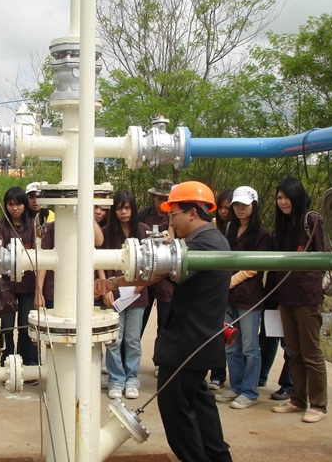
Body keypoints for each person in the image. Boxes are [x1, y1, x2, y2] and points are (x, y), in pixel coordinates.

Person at [95, 181, 233, 462]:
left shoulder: (202, 244)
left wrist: (113, 281)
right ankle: (218, 457)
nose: (171, 221)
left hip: (189, 341)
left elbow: (154, 272)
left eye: (174, 214)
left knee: (174, 405)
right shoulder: (209, 240)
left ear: (193, 212)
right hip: (198, 339)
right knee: (199, 400)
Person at [267, 176, 328, 423]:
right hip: (286, 297)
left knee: (311, 353)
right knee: (294, 352)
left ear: (297, 196)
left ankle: (319, 405)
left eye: (286, 197)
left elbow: (324, 257)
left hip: (307, 298)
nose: (282, 202)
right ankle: (298, 400)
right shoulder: (281, 226)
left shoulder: (311, 220)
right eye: (279, 197)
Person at [214, 186, 271, 409]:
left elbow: (253, 267)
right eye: (236, 205)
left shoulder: (262, 234)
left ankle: (250, 391)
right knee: (231, 344)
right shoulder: (230, 228)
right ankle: (236, 386)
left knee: (249, 346)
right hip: (229, 297)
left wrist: (229, 281)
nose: (240, 209)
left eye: (244, 205)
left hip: (249, 297)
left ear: (253, 206)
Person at [98, 190, 149, 400]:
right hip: (114, 293)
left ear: (133, 209)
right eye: (120, 208)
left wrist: (143, 282)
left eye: (127, 208)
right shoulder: (106, 232)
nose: (124, 212)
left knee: (132, 340)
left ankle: (132, 379)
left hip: (137, 294)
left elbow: (151, 261)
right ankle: (116, 380)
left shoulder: (144, 231)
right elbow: (98, 260)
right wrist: (105, 287)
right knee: (114, 340)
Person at [0, 187, 37, 368]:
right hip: (7, 285)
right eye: (10, 204)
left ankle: (27, 363)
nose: (15, 208)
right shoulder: (0, 225)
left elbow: (36, 251)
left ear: (25, 205)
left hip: (28, 284)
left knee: (26, 326)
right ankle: (8, 363)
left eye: (18, 204)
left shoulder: (33, 224)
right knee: (7, 326)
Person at [138, 180, 175, 371]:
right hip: (145, 277)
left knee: (164, 323)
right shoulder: (143, 215)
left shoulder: (176, 217)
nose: (162, 202)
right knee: (138, 321)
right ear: (153, 197)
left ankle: (160, 362)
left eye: (166, 199)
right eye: (159, 198)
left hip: (166, 279)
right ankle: (129, 360)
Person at [208, 188, 234, 391]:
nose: (224, 211)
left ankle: (235, 379)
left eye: (228, 208)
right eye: (222, 207)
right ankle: (217, 374)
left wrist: (230, 281)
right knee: (216, 332)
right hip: (216, 287)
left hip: (234, 287)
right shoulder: (213, 226)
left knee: (233, 337)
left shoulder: (239, 229)